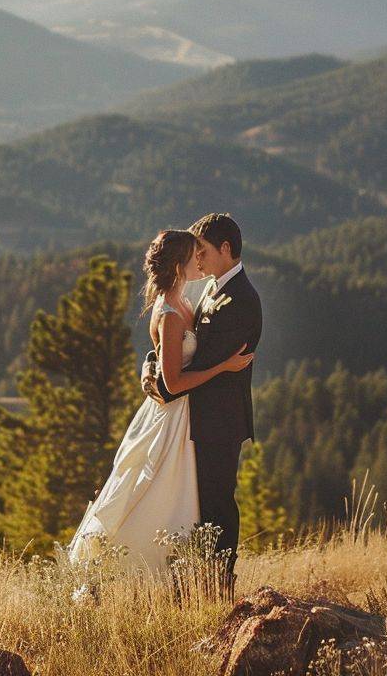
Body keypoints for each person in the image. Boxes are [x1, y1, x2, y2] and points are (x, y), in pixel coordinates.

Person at [67, 224, 254, 576]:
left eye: (202, 253)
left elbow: (166, 361)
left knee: (178, 499)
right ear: (179, 265)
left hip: (185, 416)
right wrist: (225, 367)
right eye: (194, 255)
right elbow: (176, 381)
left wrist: (149, 364)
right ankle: (130, 572)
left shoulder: (186, 300)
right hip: (172, 417)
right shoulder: (168, 313)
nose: (200, 260)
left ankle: (179, 574)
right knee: (158, 496)